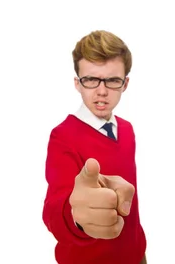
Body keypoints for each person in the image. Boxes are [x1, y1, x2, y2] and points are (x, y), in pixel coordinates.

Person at [42, 30, 147, 264]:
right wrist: (76, 217)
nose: (101, 91)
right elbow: (54, 210)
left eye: (112, 80)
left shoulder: (127, 130)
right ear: (77, 84)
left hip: (136, 254)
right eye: (91, 80)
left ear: (125, 84)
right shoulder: (63, 136)